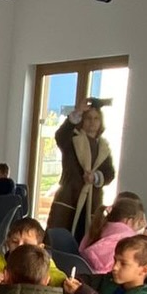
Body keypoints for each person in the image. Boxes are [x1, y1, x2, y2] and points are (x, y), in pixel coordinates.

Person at [47, 102, 116, 240]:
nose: (92, 122)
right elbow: (60, 135)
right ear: (82, 121)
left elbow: (110, 173)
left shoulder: (103, 147)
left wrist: (95, 177)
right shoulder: (72, 140)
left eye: (96, 118)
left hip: (92, 200)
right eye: (88, 118)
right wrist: (77, 113)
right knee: (61, 239)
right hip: (69, 196)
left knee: (85, 239)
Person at [0, 214, 65, 289]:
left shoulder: (44, 263)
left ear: (40, 248)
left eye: (26, 243)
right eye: (15, 241)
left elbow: (57, 275)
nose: (19, 246)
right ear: (8, 243)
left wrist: (63, 283)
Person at [80, 191, 147, 274]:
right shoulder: (128, 238)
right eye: (139, 222)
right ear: (129, 221)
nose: (142, 226)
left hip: (86, 273)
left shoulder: (98, 227)